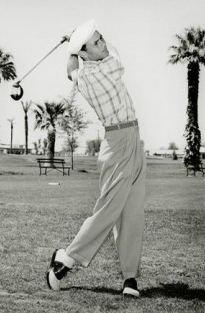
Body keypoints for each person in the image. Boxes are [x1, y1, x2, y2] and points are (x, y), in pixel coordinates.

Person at [46, 20, 146, 298]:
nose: (103, 43)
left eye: (101, 38)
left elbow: (71, 71)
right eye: (96, 42)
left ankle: (130, 279)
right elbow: (114, 53)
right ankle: (66, 259)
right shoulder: (108, 67)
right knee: (109, 209)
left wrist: (72, 47)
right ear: (86, 54)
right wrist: (73, 43)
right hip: (120, 142)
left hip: (129, 138)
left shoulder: (82, 74)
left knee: (131, 211)